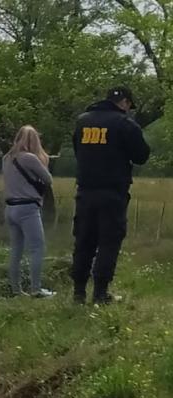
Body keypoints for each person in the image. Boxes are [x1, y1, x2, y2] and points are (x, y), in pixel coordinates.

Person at [71, 87, 151, 304]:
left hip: (85, 191)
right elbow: (142, 155)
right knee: (109, 241)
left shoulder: (82, 121)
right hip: (112, 192)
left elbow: (78, 150)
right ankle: (100, 292)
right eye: (128, 105)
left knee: (84, 240)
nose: (128, 109)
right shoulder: (124, 123)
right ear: (124, 102)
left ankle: (78, 292)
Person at [3, 126, 54, 298]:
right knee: (37, 248)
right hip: (28, 208)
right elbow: (48, 179)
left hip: (10, 208)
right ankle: (36, 288)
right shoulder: (30, 158)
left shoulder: (7, 158)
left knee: (16, 250)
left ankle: (16, 289)